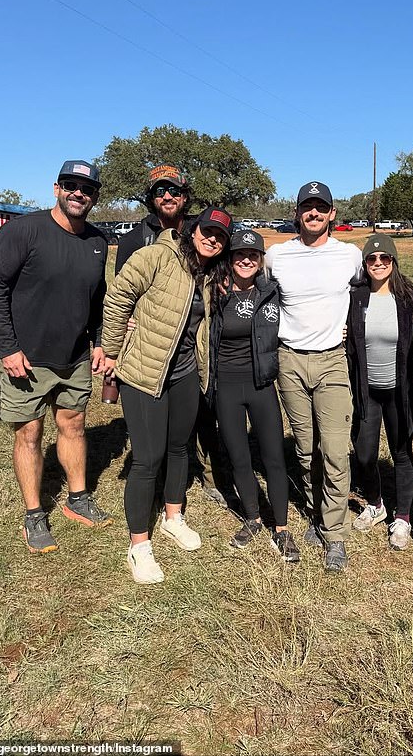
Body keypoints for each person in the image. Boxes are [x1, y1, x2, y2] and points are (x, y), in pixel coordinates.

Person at [0, 160, 112, 553]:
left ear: (94, 197)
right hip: (27, 357)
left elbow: (98, 300)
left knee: (73, 426)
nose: (79, 194)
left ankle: (77, 499)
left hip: (73, 358)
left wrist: (100, 341)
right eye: (71, 186)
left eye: (87, 189)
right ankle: (34, 514)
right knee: (30, 433)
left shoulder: (97, 240)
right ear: (57, 188)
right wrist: (8, 348)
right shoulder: (24, 230)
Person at [101, 205, 233, 584]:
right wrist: (110, 351)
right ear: (193, 231)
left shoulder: (209, 275)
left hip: (185, 374)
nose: (212, 239)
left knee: (180, 449)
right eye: (207, 231)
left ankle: (173, 516)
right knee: (148, 457)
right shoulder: (157, 256)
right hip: (145, 372)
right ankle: (139, 545)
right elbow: (117, 298)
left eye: (220, 236)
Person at [115, 165, 231, 507]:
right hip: (152, 349)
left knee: (198, 422)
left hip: (192, 351)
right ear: (151, 198)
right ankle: (153, 483)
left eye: (174, 191)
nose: (167, 197)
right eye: (160, 192)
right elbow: (124, 291)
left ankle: (204, 479)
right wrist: (122, 333)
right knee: (153, 438)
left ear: (185, 197)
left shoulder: (201, 231)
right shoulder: (136, 239)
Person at [265, 181, 363, 571]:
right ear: (297, 212)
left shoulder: (349, 255)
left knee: (335, 451)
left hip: (332, 362)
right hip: (289, 360)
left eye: (321, 207)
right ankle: (314, 510)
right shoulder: (278, 256)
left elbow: (368, 288)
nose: (314, 213)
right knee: (305, 449)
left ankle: (334, 533)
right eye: (308, 207)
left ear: (332, 214)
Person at [207, 229, 300, 562]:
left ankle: (282, 528)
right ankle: (252, 517)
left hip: (262, 385)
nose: (246, 260)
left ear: (261, 261)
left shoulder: (272, 292)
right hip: (226, 387)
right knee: (239, 456)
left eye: (253, 255)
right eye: (239, 255)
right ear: (230, 260)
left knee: (274, 457)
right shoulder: (214, 293)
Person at [346, 234, 413, 550]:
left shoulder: (411, 298)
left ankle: (403, 517)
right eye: (372, 259)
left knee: (401, 453)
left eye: (385, 259)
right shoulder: (356, 297)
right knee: (364, 453)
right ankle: (376, 504)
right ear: (365, 264)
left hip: (399, 392)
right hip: (367, 391)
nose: (378, 263)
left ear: (393, 262)